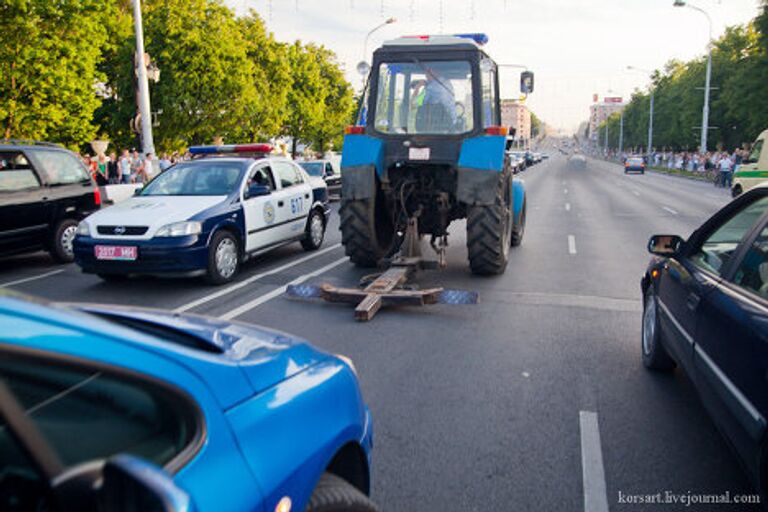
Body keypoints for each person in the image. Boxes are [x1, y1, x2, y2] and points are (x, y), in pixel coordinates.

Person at [416, 68, 456, 133]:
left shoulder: (431, 87)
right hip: (451, 124)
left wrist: (418, 86)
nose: (426, 76)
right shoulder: (447, 83)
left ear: (435, 72)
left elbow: (418, 102)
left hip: (437, 127)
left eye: (428, 72)